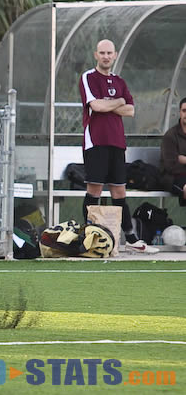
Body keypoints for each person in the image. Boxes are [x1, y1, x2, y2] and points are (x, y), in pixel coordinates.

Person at [78, 39, 158, 254]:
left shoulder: (119, 81)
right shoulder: (88, 77)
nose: (106, 56)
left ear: (114, 55)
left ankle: (131, 239)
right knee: (94, 189)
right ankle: (89, 236)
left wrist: (111, 104)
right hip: (96, 141)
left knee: (119, 191)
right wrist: (118, 102)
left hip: (117, 142)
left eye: (109, 53)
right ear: (96, 55)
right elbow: (96, 106)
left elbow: (131, 110)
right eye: (102, 53)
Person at [160, 97, 186, 204]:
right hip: (172, 178)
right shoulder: (170, 136)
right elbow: (170, 166)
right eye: (184, 111)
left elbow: (178, 161)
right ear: (180, 112)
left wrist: (183, 159)